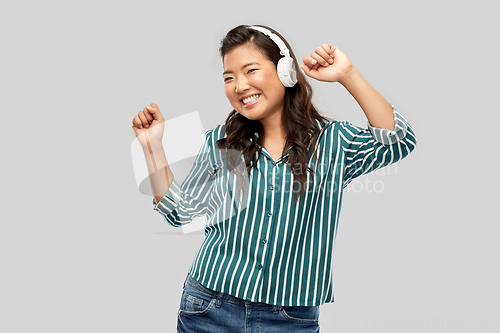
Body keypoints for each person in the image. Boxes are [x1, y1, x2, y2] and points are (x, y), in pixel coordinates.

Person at [132, 24, 417, 333]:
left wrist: (347, 74)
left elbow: (399, 140)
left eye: (250, 70)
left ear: (286, 72)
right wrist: (152, 148)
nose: (239, 86)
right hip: (209, 308)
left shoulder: (332, 143)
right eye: (229, 77)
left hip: (290, 319)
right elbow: (180, 212)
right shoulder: (224, 143)